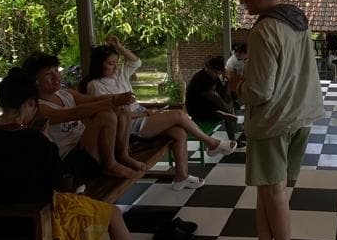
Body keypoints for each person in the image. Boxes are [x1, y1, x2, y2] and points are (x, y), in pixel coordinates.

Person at [0, 67, 177, 240]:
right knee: (109, 212)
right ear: (30, 103)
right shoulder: (34, 140)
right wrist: (47, 140)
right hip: (31, 220)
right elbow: (57, 181)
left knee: (78, 205)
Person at [223, 0, 324, 240]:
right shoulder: (297, 19)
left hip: (273, 121)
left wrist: (235, 84)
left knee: (273, 191)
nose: (242, 3)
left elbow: (259, 91)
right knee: (271, 191)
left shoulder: (264, 29)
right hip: (301, 113)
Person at [80, 43, 235, 189]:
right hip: (129, 125)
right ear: (98, 64)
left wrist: (119, 46)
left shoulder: (119, 75)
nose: (115, 67)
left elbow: (136, 62)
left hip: (142, 116)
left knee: (179, 132)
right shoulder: (95, 85)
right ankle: (212, 144)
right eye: (110, 63)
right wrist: (146, 113)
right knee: (178, 115)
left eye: (116, 62)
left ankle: (181, 177)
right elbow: (113, 116)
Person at [23, 51, 138, 181]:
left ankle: (123, 155)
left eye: (56, 71)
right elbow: (74, 113)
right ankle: (111, 164)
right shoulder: (38, 108)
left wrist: (119, 98)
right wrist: (113, 101)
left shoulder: (65, 93)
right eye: (49, 74)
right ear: (35, 81)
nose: (56, 77)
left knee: (124, 109)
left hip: (87, 147)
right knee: (106, 115)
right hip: (73, 161)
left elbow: (92, 100)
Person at [185, 56, 240, 144]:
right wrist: (227, 108)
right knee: (226, 108)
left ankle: (233, 139)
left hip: (209, 107)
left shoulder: (214, 77)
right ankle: (232, 140)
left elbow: (224, 94)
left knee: (229, 103)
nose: (216, 75)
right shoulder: (201, 79)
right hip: (197, 110)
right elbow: (214, 97)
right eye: (214, 72)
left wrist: (228, 80)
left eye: (218, 73)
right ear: (208, 68)